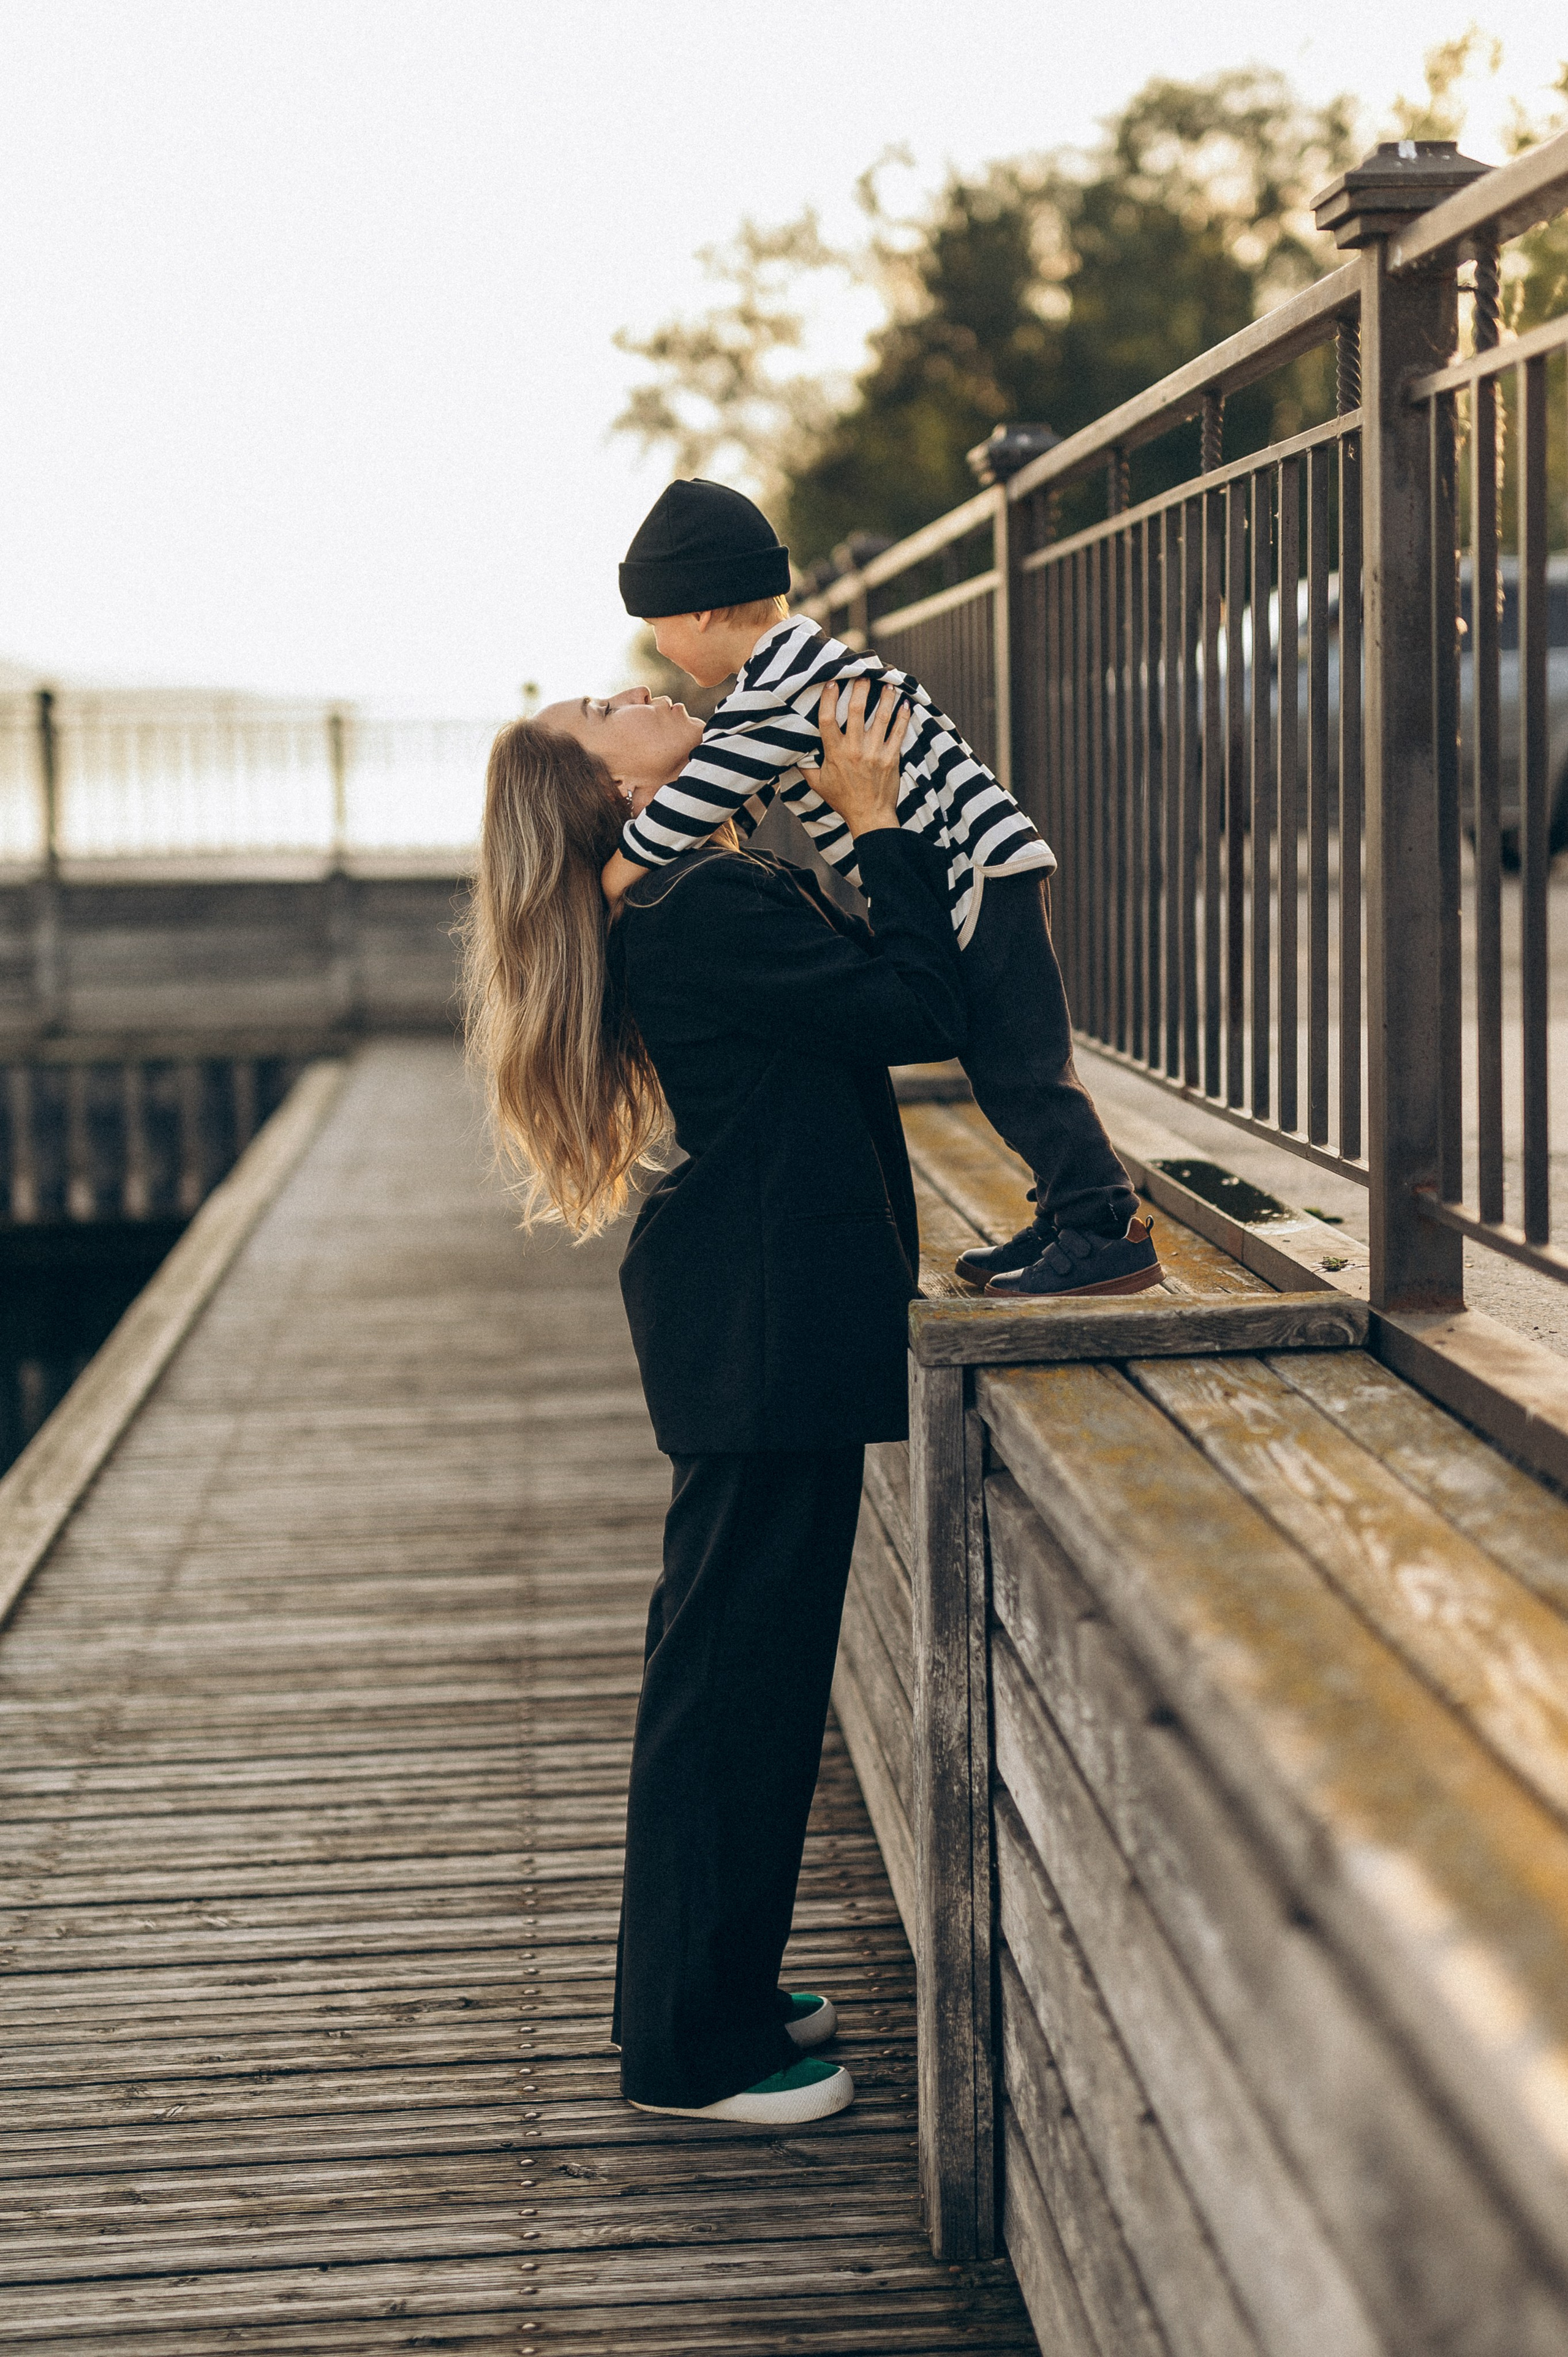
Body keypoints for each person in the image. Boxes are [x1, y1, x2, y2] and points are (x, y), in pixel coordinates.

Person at [462, 677, 964, 2127]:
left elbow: (846, 990)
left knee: (734, 1677)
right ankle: (692, 2048)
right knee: (733, 1689)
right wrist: (878, 824)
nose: (637, 685)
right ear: (616, 792)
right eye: (603, 708)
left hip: (750, 1323)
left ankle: (716, 1986)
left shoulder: (688, 889)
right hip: (763, 1328)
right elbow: (914, 1006)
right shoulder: (694, 909)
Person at [598, 477, 1161, 1302]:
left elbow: (694, 806)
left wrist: (606, 881)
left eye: (656, 627)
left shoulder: (774, 691)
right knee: (1004, 1057)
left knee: (1020, 1065)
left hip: (978, 875)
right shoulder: (794, 679)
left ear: (704, 611)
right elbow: (740, 805)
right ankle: (1068, 1208)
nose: (658, 650)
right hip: (978, 872)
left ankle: (1101, 1225)